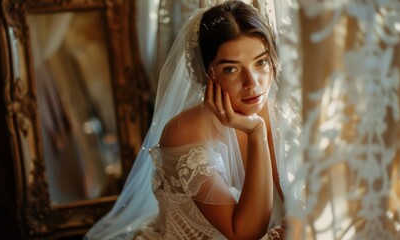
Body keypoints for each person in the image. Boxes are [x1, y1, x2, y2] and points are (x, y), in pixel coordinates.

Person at [85, 1, 291, 239]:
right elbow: (246, 234)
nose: (252, 82)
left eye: (261, 62)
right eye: (231, 69)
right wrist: (256, 132)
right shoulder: (184, 132)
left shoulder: (285, 112)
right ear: (207, 73)